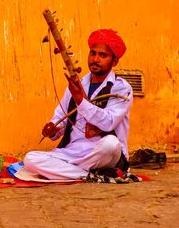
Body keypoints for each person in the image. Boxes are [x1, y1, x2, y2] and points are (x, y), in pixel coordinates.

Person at [23, 29, 133, 180]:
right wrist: (53, 129)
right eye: (93, 53)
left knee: (111, 144)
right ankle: (88, 175)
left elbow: (108, 122)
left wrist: (80, 100)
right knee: (30, 159)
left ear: (114, 61)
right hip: (72, 152)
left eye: (103, 55)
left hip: (101, 152)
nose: (95, 59)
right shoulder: (78, 84)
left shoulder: (121, 88)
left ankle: (71, 172)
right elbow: (60, 116)